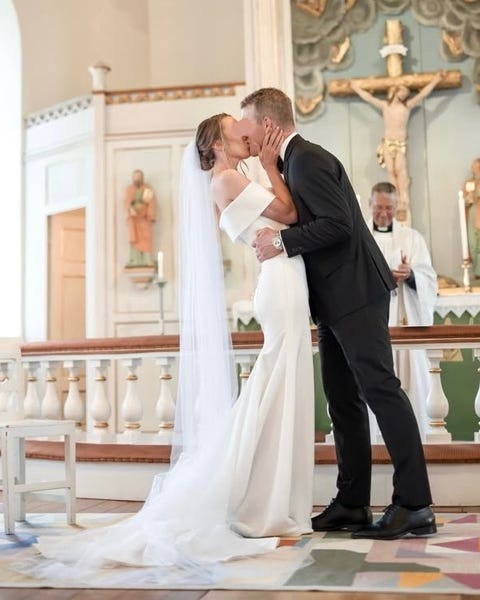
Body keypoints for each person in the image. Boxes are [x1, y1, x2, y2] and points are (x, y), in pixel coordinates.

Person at [31, 114, 315, 584]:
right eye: (234, 129)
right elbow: (289, 215)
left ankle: (265, 494)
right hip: (279, 285)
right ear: (217, 143)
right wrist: (271, 165)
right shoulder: (226, 180)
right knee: (273, 386)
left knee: (277, 386)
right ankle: (254, 499)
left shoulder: (230, 178)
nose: (244, 133)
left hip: (286, 280)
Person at [236, 87, 436, 540]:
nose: (242, 131)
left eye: (245, 121)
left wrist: (281, 242)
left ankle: (414, 504)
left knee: (381, 390)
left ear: (267, 124)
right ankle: (352, 503)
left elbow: (338, 225)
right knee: (342, 400)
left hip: (356, 293)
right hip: (334, 300)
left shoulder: (307, 159)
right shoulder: (291, 163)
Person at [367, 181, 438, 441]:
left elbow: (429, 279)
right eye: (379, 207)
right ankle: (375, 444)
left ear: (397, 206)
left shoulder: (412, 238)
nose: (383, 213)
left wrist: (411, 275)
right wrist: (380, 277)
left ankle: (414, 440)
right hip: (372, 323)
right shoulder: (360, 238)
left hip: (404, 320)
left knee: (412, 385)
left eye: (389, 208)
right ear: (370, 205)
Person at [350, 71, 445, 222]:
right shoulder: (385, 106)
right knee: (391, 172)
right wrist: (355, 88)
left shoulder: (407, 106)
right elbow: (369, 98)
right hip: (388, 143)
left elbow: (423, 94)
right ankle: (394, 197)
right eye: (402, 90)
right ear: (395, 91)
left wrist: (436, 80)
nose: (405, 93)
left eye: (406, 92)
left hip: (400, 144)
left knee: (401, 172)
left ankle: (403, 199)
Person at [124, 169, 156, 266]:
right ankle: (135, 260)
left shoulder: (147, 188)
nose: (137, 180)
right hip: (134, 218)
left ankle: (147, 259)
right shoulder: (129, 189)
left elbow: (151, 203)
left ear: (142, 178)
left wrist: (150, 215)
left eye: (139, 178)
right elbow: (127, 202)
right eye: (135, 178)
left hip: (144, 217)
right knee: (134, 238)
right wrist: (130, 209)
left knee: (146, 237)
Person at [463, 158, 480, 276]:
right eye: (474, 167)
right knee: (473, 243)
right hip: (474, 214)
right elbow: (465, 200)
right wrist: (469, 197)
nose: (476, 169)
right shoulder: (469, 183)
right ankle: (477, 272)